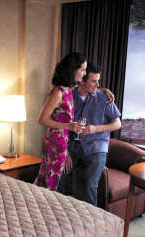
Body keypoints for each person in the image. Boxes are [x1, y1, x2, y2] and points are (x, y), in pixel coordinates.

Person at [57, 63, 122, 206]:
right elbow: (60, 126)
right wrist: (66, 152)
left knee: (89, 185)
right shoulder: (69, 97)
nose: (97, 85)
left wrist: (96, 129)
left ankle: (91, 223)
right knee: (59, 180)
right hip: (73, 147)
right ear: (82, 81)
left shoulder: (104, 98)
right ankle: (58, 215)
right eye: (93, 81)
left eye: (98, 81)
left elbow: (117, 124)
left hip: (96, 147)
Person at [33, 52, 88, 191]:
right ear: (73, 69)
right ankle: (42, 208)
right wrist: (68, 126)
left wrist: (105, 91)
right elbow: (42, 120)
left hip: (62, 142)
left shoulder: (69, 90)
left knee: (50, 181)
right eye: (82, 69)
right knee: (49, 182)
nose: (84, 73)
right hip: (54, 142)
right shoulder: (58, 93)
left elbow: (90, 89)